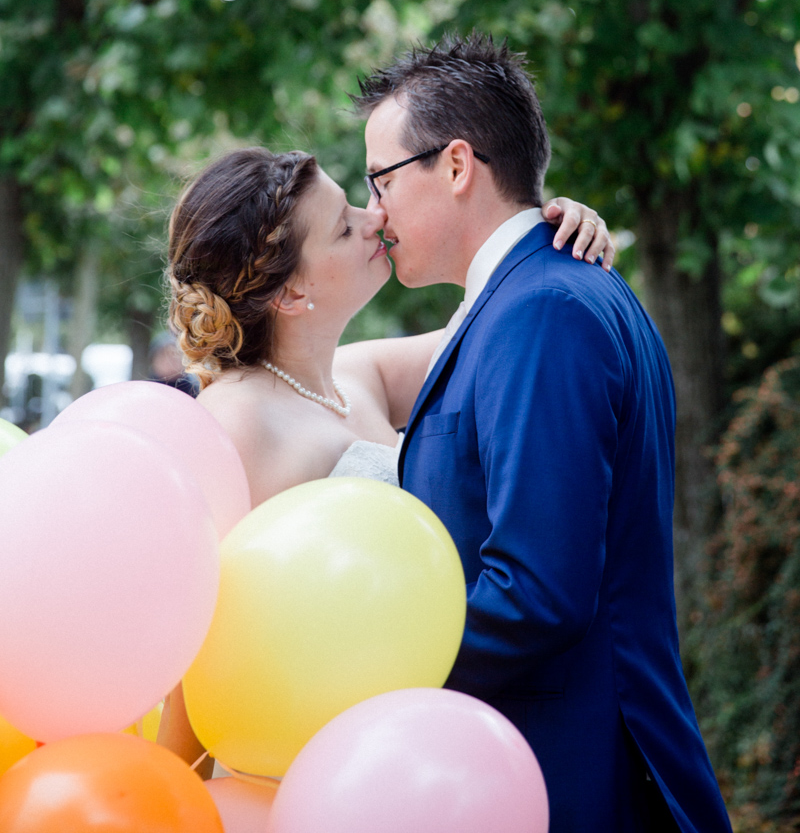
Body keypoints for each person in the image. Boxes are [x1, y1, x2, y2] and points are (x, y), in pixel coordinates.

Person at [356, 34, 731, 833]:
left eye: (379, 179)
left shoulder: (546, 311)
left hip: (583, 776)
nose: (375, 211)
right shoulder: (540, 293)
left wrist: (368, 676)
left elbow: (538, 591)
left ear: (456, 166)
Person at [157, 142, 612, 773]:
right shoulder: (235, 422)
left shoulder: (358, 373)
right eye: (345, 226)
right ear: (291, 292)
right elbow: (197, 649)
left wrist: (548, 232)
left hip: (388, 747)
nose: (376, 220)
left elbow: (503, 320)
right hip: (288, 760)